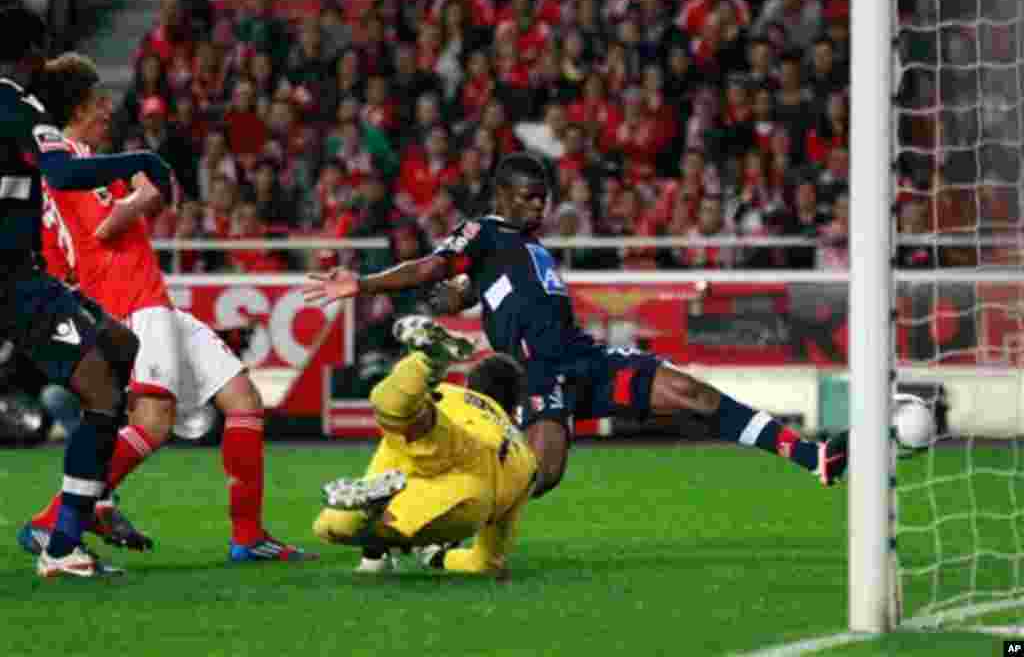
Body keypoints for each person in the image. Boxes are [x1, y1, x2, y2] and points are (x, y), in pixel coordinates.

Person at [305, 152, 849, 498]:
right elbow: (433, 266)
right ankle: (426, 504)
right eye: (529, 198)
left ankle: (813, 458)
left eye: (543, 199)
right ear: (502, 196)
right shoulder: (484, 232)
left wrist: (458, 296)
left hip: (583, 359)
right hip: (540, 371)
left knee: (692, 395)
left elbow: (469, 290)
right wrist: (366, 283)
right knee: (541, 475)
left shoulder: (520, 250)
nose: (539, 208)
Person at [19, 52, 316, 565]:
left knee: (243, 400)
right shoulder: (69, 154)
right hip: (128, 301)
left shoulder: (79, 162)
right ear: (81, 107)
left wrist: (136, 190)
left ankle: (247, 536)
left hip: (150, 299)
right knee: (154, 422)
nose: (110, 109)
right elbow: (103, 228)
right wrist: (145, 190)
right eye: (101, 101)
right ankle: (50, 522)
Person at [0, 7, 174, 578]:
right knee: (102, 392)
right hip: (11, 279)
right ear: (30, 56)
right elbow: (66, 175)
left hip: (27, 275)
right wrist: (146, 160)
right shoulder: (21, 107)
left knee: (119, 344)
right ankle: (61, 543)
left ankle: (91, 498)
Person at [313, 316, 537, 576]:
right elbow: (488, 562)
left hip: (437, 440)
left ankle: (425, 362)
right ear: (515, 406)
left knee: (333, 524)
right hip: (474, 484)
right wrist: (440, 558)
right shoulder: (525, 453)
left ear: (471, 384)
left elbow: (389, 456)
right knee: (410, 518)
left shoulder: (452, 392)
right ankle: (384, 543)